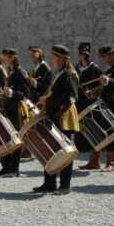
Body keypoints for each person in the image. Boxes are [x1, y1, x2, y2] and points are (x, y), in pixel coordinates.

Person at [33, 46, 79, 195]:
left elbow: (71, 97)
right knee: (51, 148)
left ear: (60, 58)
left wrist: (51, 103)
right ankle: (49, 183)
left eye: (53, 57)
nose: (52, 60)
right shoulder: (60, 73)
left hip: (63, 115)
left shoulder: (70, 74)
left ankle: (65, 185)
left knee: (65, 150)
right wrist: (46, 99)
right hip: (54, 114)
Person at [0, 48, 31, 177]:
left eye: (4, 57)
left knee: (15, 138)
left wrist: (11, 93)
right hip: (8, 107)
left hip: (16, 109)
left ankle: (14, 169)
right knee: (6, 137)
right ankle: (6, 167)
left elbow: (26, 94)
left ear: (12, 58)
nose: (2, 60)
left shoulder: (20, 72)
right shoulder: (10, 72)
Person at [76, 44, 102, 167]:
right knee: (84, 131)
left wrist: (92, 92)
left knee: (93, 129)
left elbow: (101, 86)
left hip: (91, 103)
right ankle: (91, 160)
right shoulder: (77, 68)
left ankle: (95, 160)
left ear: (85, 55)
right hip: (80, 103)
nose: (78, 57)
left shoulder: (94, 69)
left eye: (80, 55)